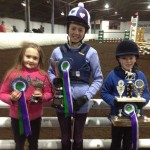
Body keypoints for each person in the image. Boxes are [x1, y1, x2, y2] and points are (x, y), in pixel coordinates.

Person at [48, 2, 103, 150]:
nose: (76, 32)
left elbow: (98, 78)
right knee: (65, 138)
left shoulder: (91, 53)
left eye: (80, 29)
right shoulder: (57, 52)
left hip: (82, 102)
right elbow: (50, 72)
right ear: (68, 29)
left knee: (78, 138)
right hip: (62, 100)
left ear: (85, 31)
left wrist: (86, 96)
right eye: (73, 28)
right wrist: (55, 80)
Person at [0, 42, 53, 150]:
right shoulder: (12, 74)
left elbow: (49, 93)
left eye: (35, 58)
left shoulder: (43, 75)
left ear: (39, 60)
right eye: (28, 56)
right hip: (17, 117)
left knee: (34, 144)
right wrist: (11, 98)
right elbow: (2, 93)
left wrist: (42, 96)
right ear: (22, 56)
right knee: (19, 144)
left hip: (35, 118)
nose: (31, 60)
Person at [100, 40, 150, 150]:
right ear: (118, 59)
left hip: (134, 117)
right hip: (117, 117)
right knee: (115, 142)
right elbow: (104, 92)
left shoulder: (140, 76)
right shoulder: (112, 75)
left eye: (131, 58)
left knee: (129, 143)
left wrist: (141, 102)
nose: (128, 61)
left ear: (136, 58)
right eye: (124, 58)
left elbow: (146, 93)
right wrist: (115, 101)